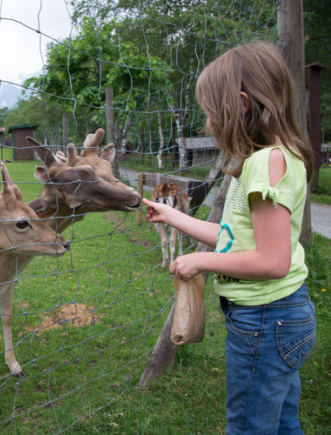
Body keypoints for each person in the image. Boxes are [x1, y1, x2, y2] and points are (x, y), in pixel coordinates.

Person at [143, 41, 317, 434]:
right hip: (279, 317)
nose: (208, 122)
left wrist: (198, 260)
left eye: (211, 112)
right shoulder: (272, 157)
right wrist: (173, 214)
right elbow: (233, 238)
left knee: (248, 427)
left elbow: (272, 261)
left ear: (240, 104)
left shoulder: (266, 164)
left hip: (266, 322)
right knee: (282, 421)